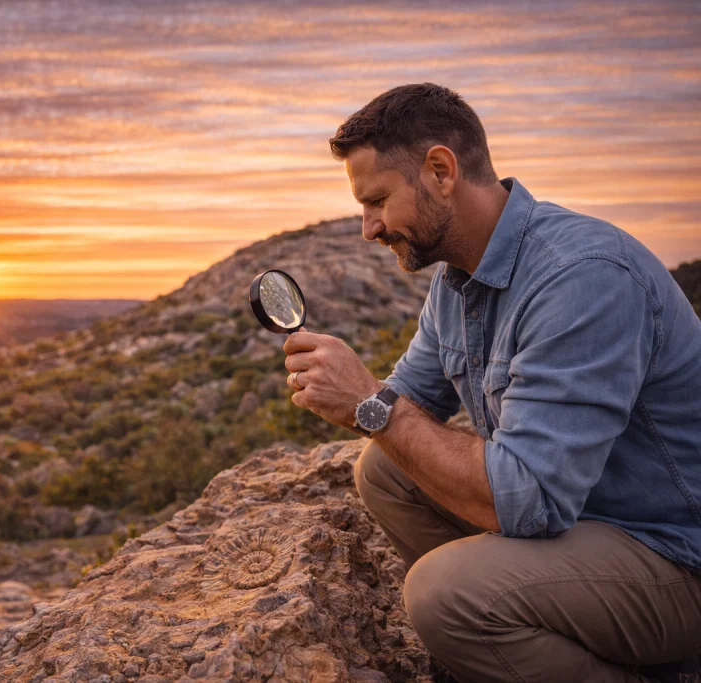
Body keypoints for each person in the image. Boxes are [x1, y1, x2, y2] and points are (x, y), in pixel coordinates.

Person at [281, 83, 701, 682]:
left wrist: (370, 404)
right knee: (384, 470)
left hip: (675, 555)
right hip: (586, 524)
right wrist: (352, 395)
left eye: (377, 200)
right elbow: (409, 399)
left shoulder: (582, 278)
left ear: (440, 170)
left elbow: (530, 495)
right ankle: (513, 648)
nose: (368, 229)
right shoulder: (458, 282)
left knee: (444, 593)